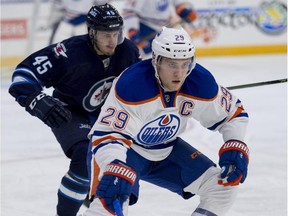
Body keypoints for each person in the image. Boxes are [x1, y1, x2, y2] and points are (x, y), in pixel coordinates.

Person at [84, 26, 250, 216]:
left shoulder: (200, 82)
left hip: (166, 150)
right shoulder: (132, 85)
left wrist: (235, 143)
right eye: (172, 64)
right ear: (156, 61)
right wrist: (113, 164)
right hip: (125, 151)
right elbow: (108, 135)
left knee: (223, 186)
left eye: (184, 64)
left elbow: (234, 114)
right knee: (110, 203)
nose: (179, 73)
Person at [8, 3, 141, 216]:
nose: (113, 41)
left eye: (117, 34)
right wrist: (36, 100)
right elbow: (24, 74)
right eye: (106, 35)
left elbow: (140, 87)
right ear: (91, 33)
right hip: (69, 112)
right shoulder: (67, 53)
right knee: (83, 156)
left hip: (108, 115)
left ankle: (94, 196)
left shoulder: (128, 51)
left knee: (123, 157)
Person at [122, 0, 197, 57]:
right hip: (145, 28)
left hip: (166, 27)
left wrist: (184, 11)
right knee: (149, 59)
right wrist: (133, 31)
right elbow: (130, 12)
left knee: (167, 57)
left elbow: (177, 3)